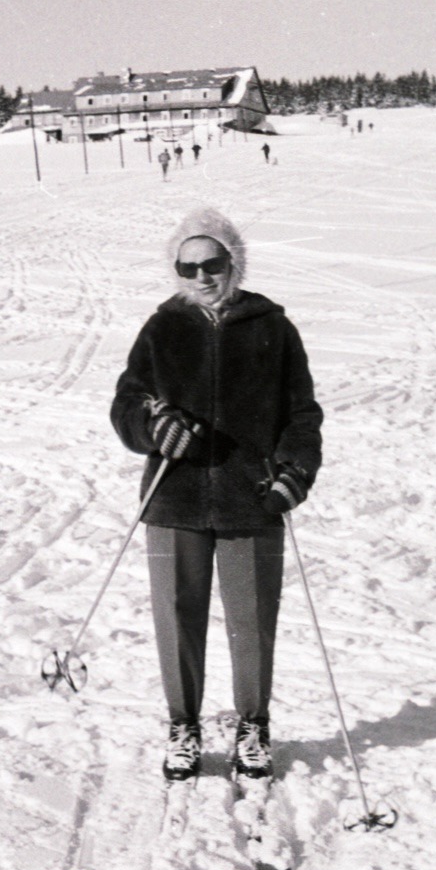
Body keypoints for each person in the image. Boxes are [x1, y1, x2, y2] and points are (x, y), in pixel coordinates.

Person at [110, 208, 323, 783]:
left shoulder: (273, 328)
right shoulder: (162, 329)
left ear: (234, 262)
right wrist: (152, 427)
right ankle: (184, 725)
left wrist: (294, 470)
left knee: (251, 621)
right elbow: (127, 403)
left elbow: (301, 415)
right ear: (176, 271)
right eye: (189, 267)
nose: (202, 276)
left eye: (214, 264)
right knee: (176, 617)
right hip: (172, 502)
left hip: (252, 500)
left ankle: (252, 727)